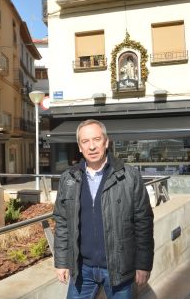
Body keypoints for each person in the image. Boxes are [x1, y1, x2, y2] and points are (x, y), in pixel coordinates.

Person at [53, 119, 154, 299]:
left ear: (106, 142)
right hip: (82, 270)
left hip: (120, 269)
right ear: (79, 146)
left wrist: (143, 264)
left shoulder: (129, 176)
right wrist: (61, 262)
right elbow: (62, 223)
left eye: (96, 139)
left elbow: (143, 222)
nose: (91, 146)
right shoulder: (68, 178)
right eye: (85, 141)